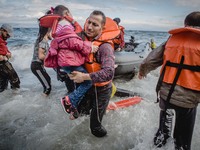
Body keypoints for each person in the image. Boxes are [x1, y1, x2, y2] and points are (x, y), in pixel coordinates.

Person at [138, 11, 200, 150]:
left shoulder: (172, 39)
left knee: (162, 134)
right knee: (182, 141)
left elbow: (150, 60)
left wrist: (143, 71)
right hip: (188, 100)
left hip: (167, 95)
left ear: (185, 25)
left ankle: (157, 145)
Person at [68, 10, 116, 137]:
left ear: (102, 28)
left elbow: (109, 72)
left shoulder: (105, 47)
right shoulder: (82, 41)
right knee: (80, 114)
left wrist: (83, 77)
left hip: (102, 90)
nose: (89, 27)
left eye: (95, 24)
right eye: (89, 22)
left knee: (95, 128)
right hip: (87, 88)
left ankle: (108, 140)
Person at [48, 5, 98, 120]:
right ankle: (69, 100)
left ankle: (73, 108)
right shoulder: (66, 25)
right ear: (67, 14)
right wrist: (90, 47)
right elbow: (74, 42)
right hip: (70, 61)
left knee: (78, 83)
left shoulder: (58, 27)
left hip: (64, 62)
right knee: (87, 82)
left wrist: (73, 21)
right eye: (70, 14)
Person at [30, 25, 52, 96]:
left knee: (48, 79)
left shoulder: (41, 39)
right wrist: (51, 57)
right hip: (37, 66)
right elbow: (41, 56)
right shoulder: (43, 41)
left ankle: (44, 102)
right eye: (52, 31)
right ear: (48, 32)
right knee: (47, 87)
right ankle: (41, 104)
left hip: (38, 66)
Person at [0, 24, 20, 92]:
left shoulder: (2, 41)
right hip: (2, 64)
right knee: (15, 81)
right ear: (2, 30)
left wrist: (7, 54)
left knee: (3, 84)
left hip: (3, 63)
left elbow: (6, 52)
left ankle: (6, 101)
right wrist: (4, 56)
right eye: (7, 34)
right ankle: (16, 99)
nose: (8, 37)